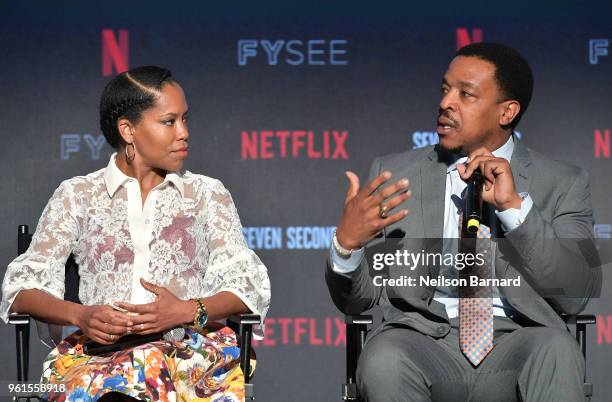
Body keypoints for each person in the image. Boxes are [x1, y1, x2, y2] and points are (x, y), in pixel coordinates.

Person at [326, 43, 599, 401]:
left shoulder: (562, 184)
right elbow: (359, 301)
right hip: (422, 340)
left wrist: (514, 209)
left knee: (557, 350)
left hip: (521, 340)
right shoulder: (396, 176)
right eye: (445, 90)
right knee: (385, 357)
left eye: (465, 94)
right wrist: (347, 246)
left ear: (507, 112)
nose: (445, 104)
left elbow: (576, 294)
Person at [1, 66, 271, 401]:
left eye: (185, 119)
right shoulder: (77, 196)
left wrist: (186, 310)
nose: (184, 132)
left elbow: (246, 287)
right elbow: (21, 292)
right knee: (114, 387)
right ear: (128, 130)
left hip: (187, 359)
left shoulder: (206, 195)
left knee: (147, 369)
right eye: (169, 121)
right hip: (98, 359)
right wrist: (81, 315)